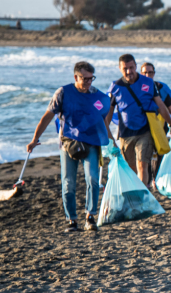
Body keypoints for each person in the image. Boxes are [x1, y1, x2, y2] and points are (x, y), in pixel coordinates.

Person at [27, 61, 113, 232]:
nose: (89, 82)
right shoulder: (63, 93)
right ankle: (72, 220)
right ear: (75, 77)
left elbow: (103, 119)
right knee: (68, 183)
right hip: (68, 143)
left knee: (93, 180)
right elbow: (47, 116)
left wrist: (111, 142)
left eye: (91, 78)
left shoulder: (98, 95)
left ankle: (90, 217)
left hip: (91, 142)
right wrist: (35, 139)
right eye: (84, 79)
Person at [108, 53, 171, 184]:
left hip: (145, 132)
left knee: (143, 165)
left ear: (135, 66)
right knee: (131, 169)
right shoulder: (115, 86)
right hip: (125, 134)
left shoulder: (148, 82)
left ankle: (143, 197)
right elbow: (108, 113)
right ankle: (138, 192)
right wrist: (108, 137)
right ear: (120, 68)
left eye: (131, 67)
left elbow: (161, 106)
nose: (129, 71)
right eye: (125, 68)